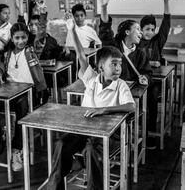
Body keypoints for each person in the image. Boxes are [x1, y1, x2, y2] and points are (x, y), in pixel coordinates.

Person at [47, 19, 135, 190]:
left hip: (109, 135)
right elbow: (81, 55)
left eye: (120, 64)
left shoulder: (121, 85)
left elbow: (131, 107)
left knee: (90, 150)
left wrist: (103, 110)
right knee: (61, 144)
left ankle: (94, 186)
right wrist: (72, 30)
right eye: (113, 64)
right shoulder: (91, 80)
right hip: (84, 130)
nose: (118, 68)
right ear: (100, 67)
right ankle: (54, 183)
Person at [0, 22, 47, 172]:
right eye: (17, 38)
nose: (20, 41)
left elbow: (41, 34)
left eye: (23, 37)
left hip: (29, 94)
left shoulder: (31, 50)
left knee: (22, 106)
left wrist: (41, 15)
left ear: (28, 37)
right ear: (12, 38)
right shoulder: (6, 53)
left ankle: (16, 151)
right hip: (10, 93)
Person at [138, 0, 172, 141]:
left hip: (155, 81)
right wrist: (150, 62)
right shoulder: (136, 43)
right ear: (141, 29)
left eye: (152, 29)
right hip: (140, 79)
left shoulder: (157, 42)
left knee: (151, 96)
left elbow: (166, 24)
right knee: (135, 95)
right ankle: (138, 126)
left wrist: (166, 1)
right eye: (147, 29)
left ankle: (150, 130)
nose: (150, 32)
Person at [97, 0, 151, 85]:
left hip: (131, 91)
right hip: (112, 89)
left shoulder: (140, 52)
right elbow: (105, 29)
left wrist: (145, 78)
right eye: (138, 29)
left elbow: (147, 72)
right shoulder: (113, 46)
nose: (141, 33)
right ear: (127, 32)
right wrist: (103, 7)